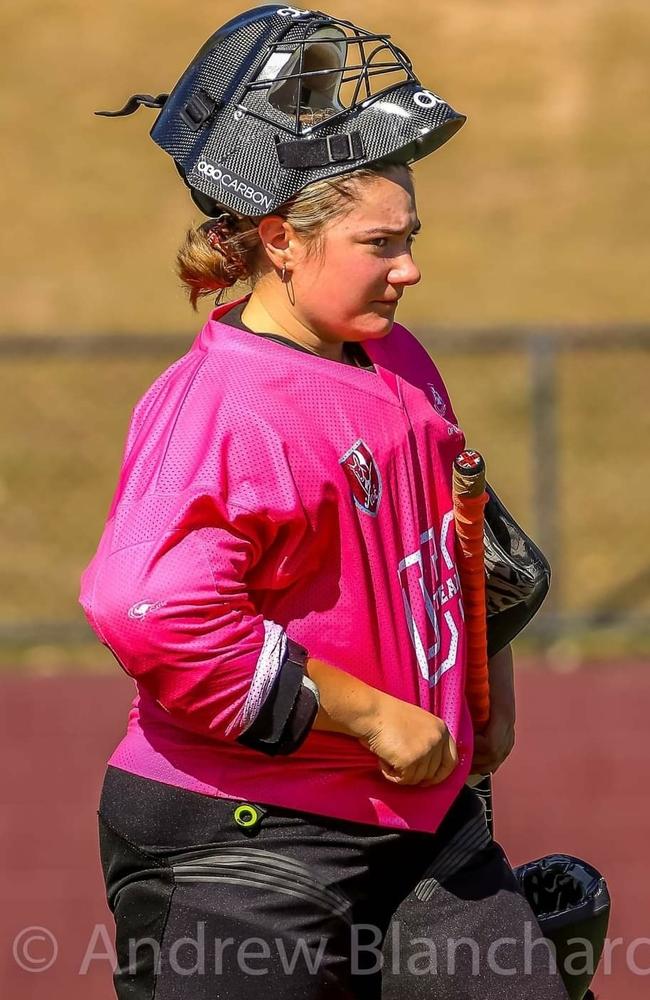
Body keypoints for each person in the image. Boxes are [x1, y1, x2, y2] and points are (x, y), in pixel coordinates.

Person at [83, 7, 571, 998]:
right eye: (378, 243)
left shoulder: (392, 355)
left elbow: (452, 536)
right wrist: (372, 716)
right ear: (282, 240)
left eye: (410, 237)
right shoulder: (225, 405)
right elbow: (149, 608)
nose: (409, 267)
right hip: (240, 836)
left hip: (419, 819)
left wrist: (484, 687)